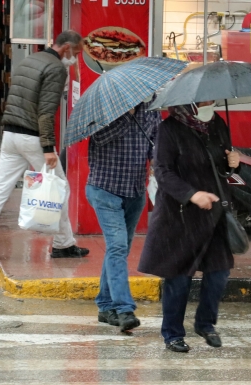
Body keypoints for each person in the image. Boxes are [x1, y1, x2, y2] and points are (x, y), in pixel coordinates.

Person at [0, 31, 90, 260]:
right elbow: (45, 112)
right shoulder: (56, 68)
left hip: (11, 134)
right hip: (32, 138)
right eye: (77, 52)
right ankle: (63, 244)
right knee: (61, 187)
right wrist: (48, 147)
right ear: (67, 47)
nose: (76, 58)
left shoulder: (31, 60)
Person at [137, 101, 240, 353]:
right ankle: (172, 334)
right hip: (180, 216)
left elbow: (221, 167)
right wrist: (192, 194)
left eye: (213, 100)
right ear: (190, 103)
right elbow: (162, 171)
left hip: (213, 212)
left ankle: (205, 324)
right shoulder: (169, 129)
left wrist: (232, 162)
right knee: (179, 278)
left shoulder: (217, 124)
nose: (210, 105)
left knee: (219, 272)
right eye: (205, 101)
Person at [87, 102, 160, 333]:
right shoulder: (104, 109)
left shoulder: (151, 108)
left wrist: (157, 161)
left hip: (135, 191)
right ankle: (124, 309)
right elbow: (99, 139)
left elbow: (155, 141)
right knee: (118, 247)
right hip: (105, 189)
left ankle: (105, 305)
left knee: (119, 249)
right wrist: (126, 116)